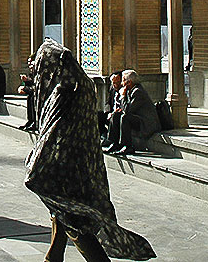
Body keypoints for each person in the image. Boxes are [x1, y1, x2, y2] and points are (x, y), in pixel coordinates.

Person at [26, 40, 156, 261]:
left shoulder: (64, 93)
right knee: (61, 215)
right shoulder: (82, 87)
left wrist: (35, 167)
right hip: (84, 167)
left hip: (65, 170)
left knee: (74, 222)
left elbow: (54, 134)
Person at [102, 69, 161, 155]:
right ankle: (114, 143)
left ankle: (127, 146)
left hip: (145, 123)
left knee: (124, 117)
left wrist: (122, 96)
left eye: (123, 81)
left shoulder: (138, 92)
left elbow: (128, 110)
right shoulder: (130, 90)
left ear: (129, 82)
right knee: (116, 115)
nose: (122, 84)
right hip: (137, 118)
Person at [17, 53, 37, 131]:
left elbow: (37, 86)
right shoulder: (32, 72)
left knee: (32, 98)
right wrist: (26, 81)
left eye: (31, 62)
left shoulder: (40, 71)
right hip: (34, 92)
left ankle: (35, 122)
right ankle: (31, 120)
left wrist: (25, 89)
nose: (30, 65)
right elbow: (32, 83)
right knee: (30, 97)